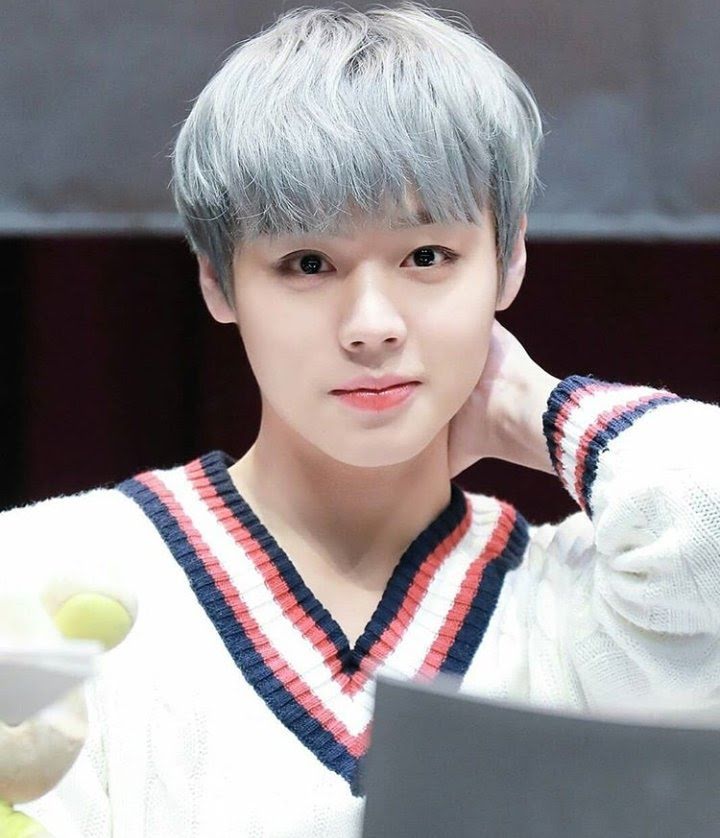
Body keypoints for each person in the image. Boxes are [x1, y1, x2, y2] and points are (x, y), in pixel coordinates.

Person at [5, 2, 719, 835]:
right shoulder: (51, 570)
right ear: (217, 281)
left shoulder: (585, 604)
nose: (371, 325)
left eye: (428, 257)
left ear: (509, 259)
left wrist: (534, 406)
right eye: (308, 263)